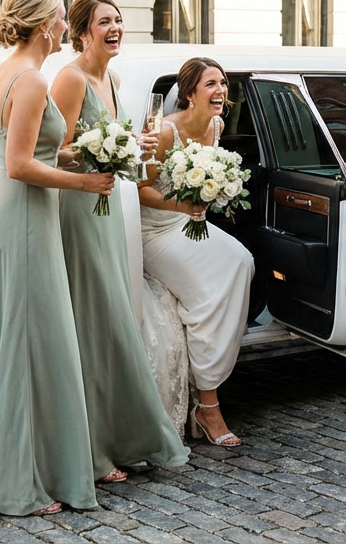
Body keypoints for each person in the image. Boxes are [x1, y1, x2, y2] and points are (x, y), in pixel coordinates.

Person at [0, 0, 114, 516]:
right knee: (30, 344)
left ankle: (29, 465)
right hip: (25, 216)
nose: (63, 27)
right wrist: (85, 184)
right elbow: (19, 164)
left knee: (24, 340)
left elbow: (34, 147)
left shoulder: (8, 70)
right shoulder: (31, 79)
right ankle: (17, 484)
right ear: (44, 23)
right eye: (59, 17)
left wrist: (91, 152)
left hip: (14, 214)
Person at [52, 0, 190, 481]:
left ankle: (116, 435)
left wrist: (135, 144)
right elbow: (56, 151)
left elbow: (119, 144)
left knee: (113, 317)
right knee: (94, 318)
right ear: (82, 32)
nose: (115, 28)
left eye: (118, 20)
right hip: (82, 206)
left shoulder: (111, 77)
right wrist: (102, 152)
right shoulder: (69, 79)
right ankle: (93, 447)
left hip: (110, 206)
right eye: (104, 22)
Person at [138, 57, 254, 447]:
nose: (220, 90)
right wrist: (183, 206)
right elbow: (141, 190)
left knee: (242, 262)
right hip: (154, 229)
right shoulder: (166, 130)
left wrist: (215, 192)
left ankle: (208, 376)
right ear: (189, 93)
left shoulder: (217, 126)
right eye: (210, 84)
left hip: (190, 223)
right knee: (208, 295)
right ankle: (208, 406)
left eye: (222, 82)